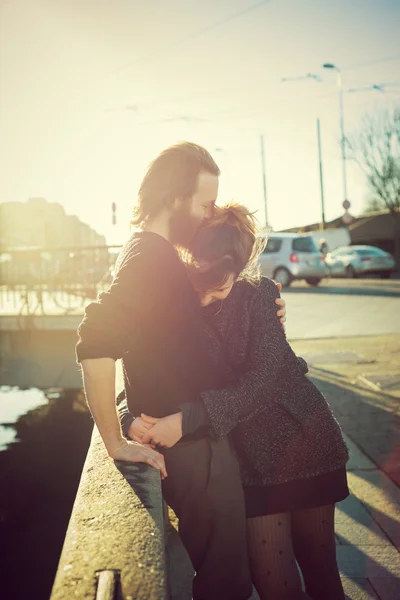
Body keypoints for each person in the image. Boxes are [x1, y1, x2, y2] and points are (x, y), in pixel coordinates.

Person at [76, 142, 286, 600]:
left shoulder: (147, 251)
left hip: (191, 442)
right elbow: (95, 339)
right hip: (196, 454)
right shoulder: (152, 257)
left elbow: (153, 347)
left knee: (223, 580)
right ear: (174, 198)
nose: (211, 214)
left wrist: (263, 309)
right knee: (227, 586)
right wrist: (115, 440)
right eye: (205, 203)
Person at [119, 204, 350, 600]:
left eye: (220, 288)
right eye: (199, 286)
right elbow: (146, 365)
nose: (207, 298)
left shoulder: (259, 295)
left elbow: (263, 382)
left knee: (322, 576)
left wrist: (186, 419)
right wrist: (126, 416)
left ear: (240, 271)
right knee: (274, 585)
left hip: (303, 441)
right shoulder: (176, 303)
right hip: (248, 461)